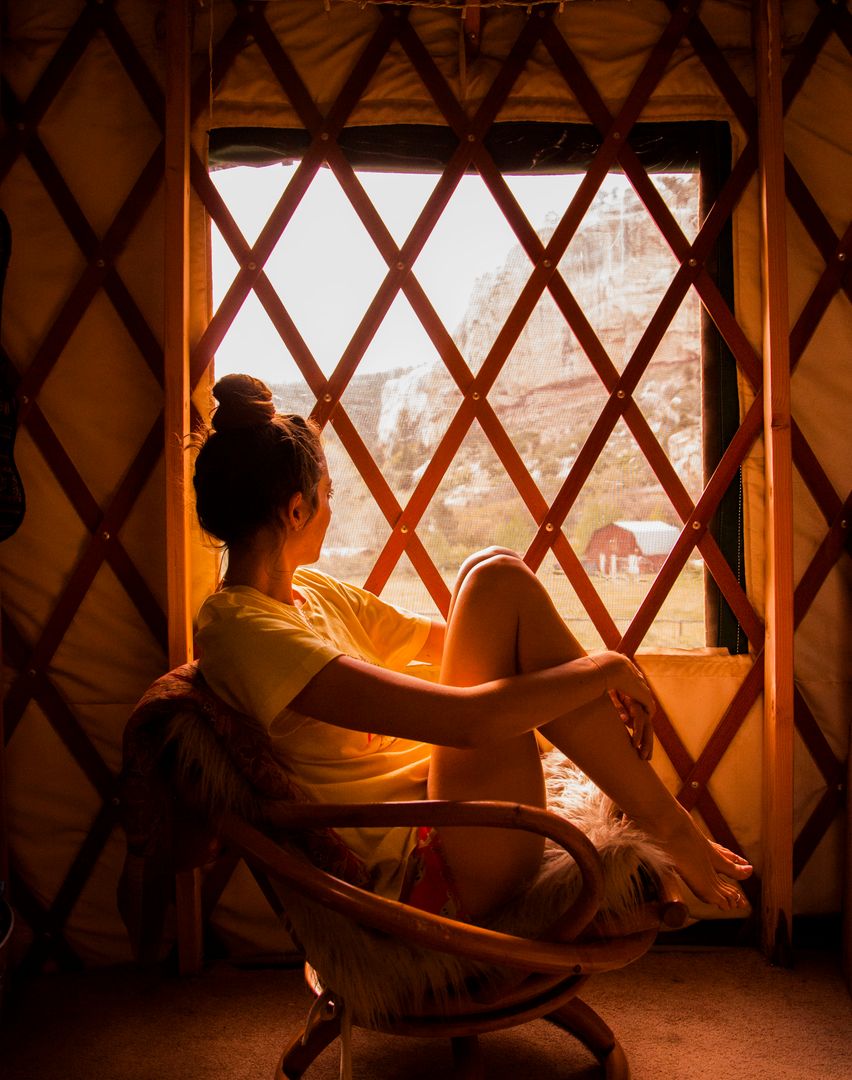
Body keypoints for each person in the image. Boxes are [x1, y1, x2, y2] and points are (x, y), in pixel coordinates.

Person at [192, 373, 751, 921]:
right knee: (494, 580)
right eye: (328, 495)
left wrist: (583, 674)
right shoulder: (241, 630)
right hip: (427, 867)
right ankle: (670, 824)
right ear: (296, 511)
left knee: (489, 574)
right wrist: (605, 669)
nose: (332, 510)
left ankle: (661, 818)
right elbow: (467, 725)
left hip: (453, 815)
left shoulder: (309, 592)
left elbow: (462, 636)